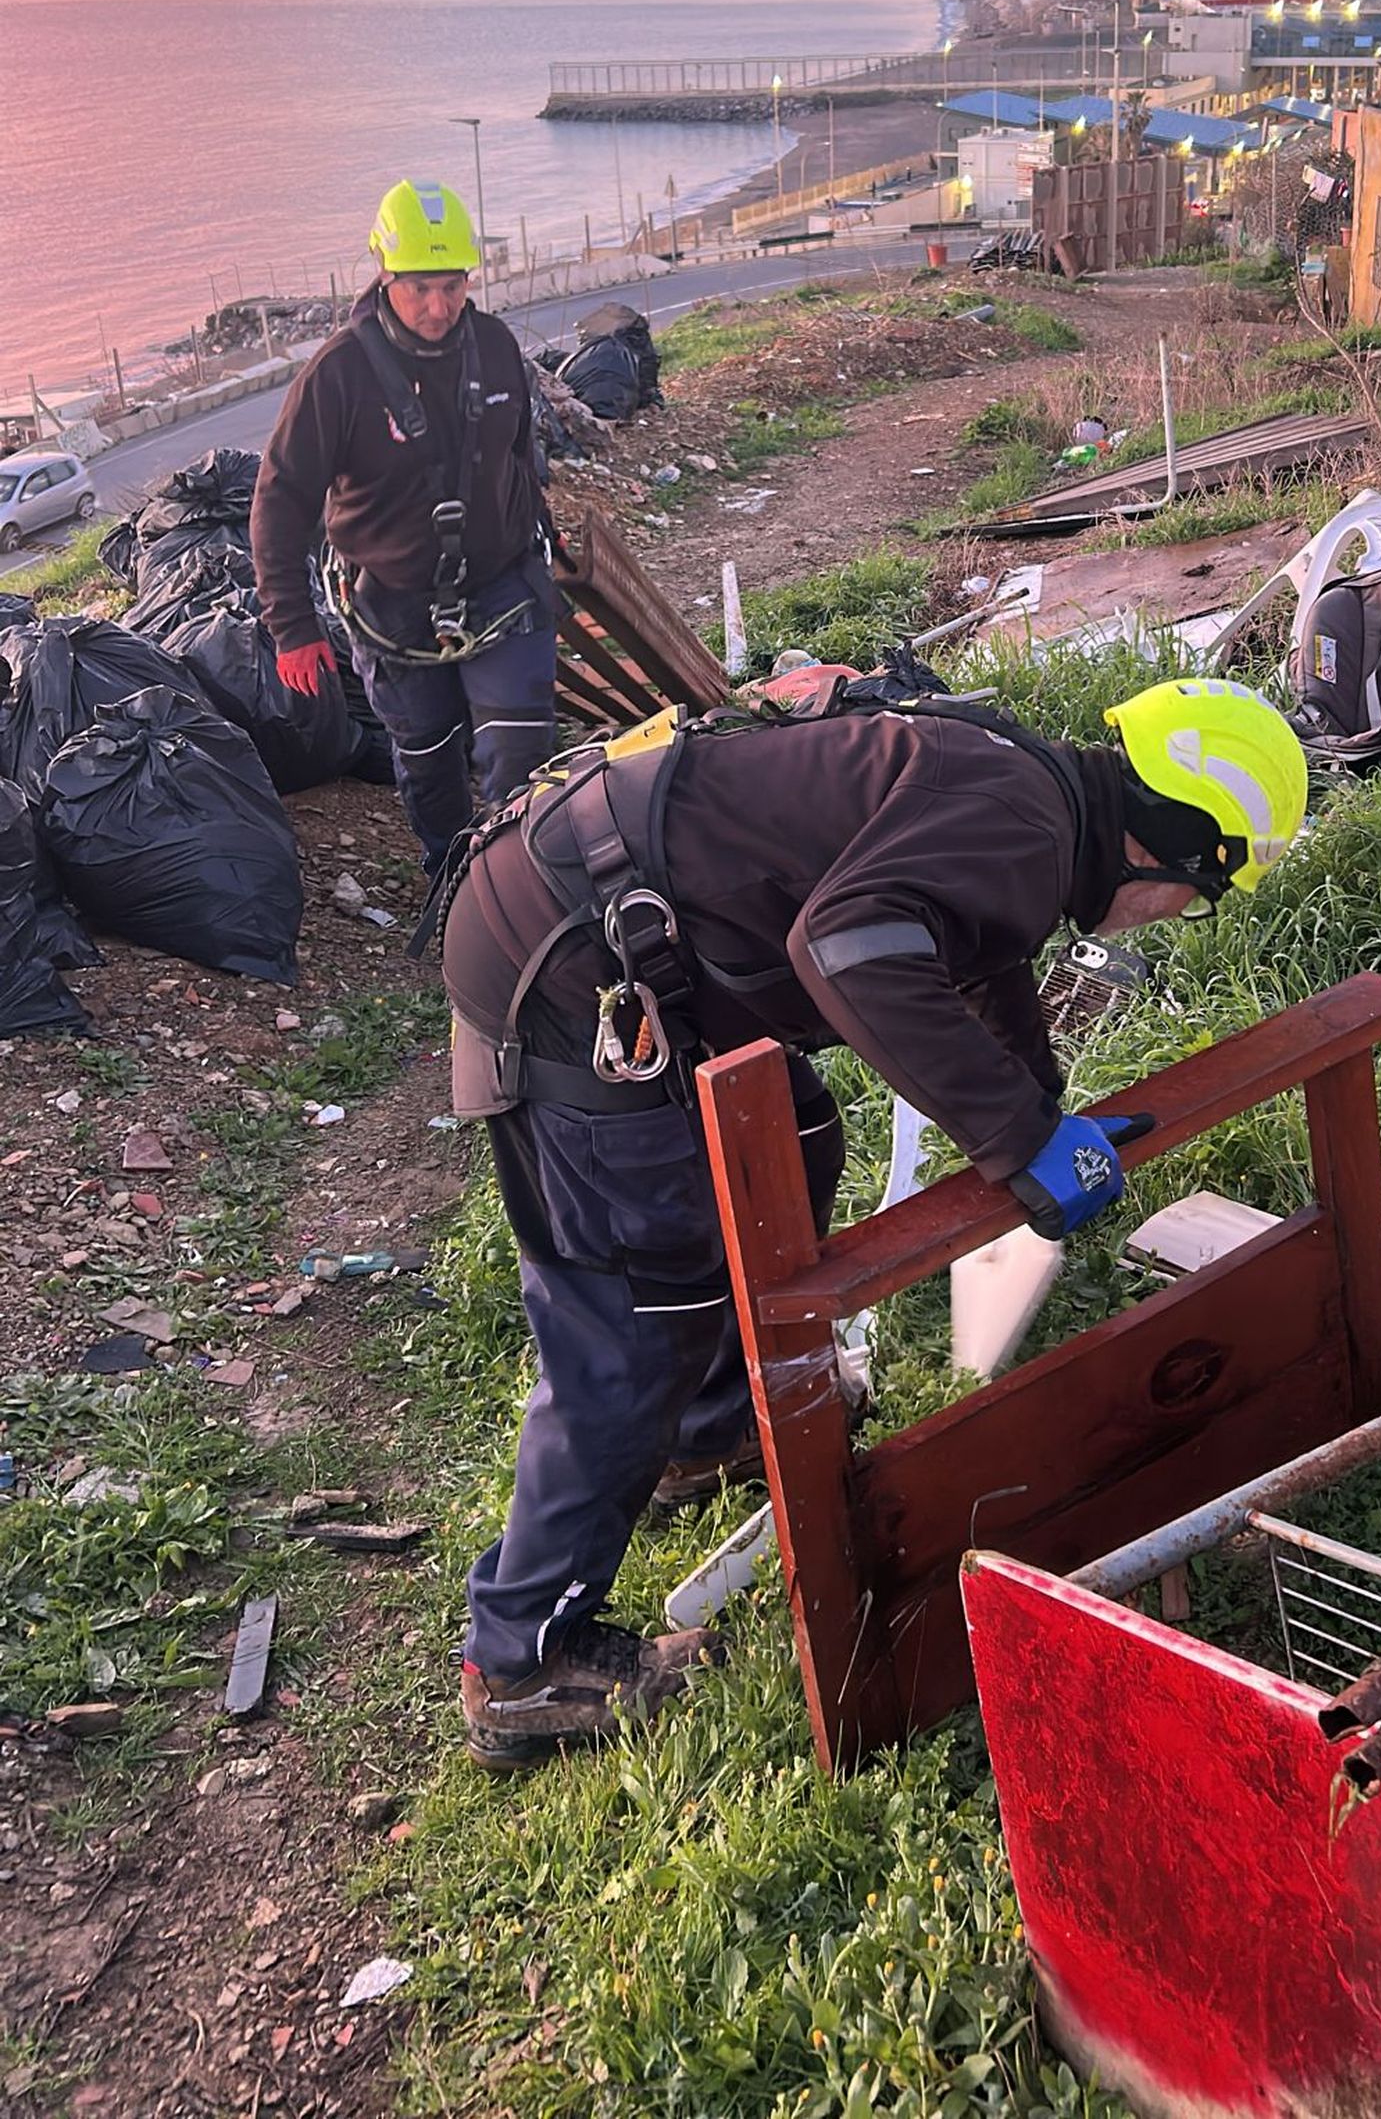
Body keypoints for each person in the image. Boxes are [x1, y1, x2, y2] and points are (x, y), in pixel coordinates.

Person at [437, 674, 1308, 1769]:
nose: (1182, 917)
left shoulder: (1031, 800)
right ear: (1175, 844)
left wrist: (1035, 1111)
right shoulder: (1027, 828)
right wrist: (1010, 1137)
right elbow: (851, 947)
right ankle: (522, 1663)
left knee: (793, 1140)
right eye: (1202, 893)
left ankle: (705, 1440)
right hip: (563, 964)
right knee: (639, 1306)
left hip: (596, 918)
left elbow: (974, 945)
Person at [250, 180, 560, 871]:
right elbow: (280, 500)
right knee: (426, 760)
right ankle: (453, 880)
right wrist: (294, 630)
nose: (438, 306)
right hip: (391, 606)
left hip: (503, 586)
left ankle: (521, 884)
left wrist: (543, 534)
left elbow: (519, 457)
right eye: (419, 287)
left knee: (517, 743)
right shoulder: (338, 376)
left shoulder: (496, 347)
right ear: (385, 275)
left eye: (452, 286)